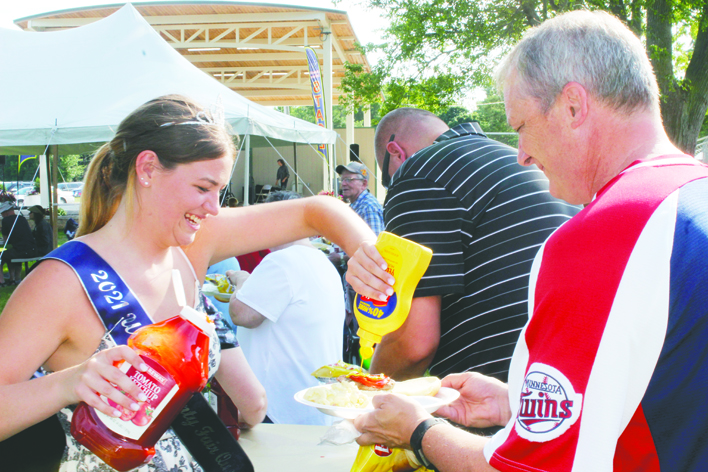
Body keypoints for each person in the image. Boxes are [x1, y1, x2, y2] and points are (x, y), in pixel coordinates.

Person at [351, 10, 708, 472]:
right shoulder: (693, 192)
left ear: (573, 107)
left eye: (520, 127)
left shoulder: (608, 234)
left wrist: (417, 431)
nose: (521, 156)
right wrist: (515, 403)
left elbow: (524, 469)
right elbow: (661, 389)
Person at [0, 95, 381, 471]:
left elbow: (316, 211)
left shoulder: (193, 244)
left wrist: (364, 249)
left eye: (219, 191)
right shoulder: (61, 282)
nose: (214, 208)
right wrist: (69, 383)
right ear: (147, 168)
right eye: (202, 188)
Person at [367, 107, 578, 383]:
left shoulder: (418, 172)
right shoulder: (513, 160)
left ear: (395, 152)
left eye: (386, 177)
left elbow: (413, 342)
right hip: (564, 384)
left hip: (494, 398)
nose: (390, 185)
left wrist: (368, 390)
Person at [229, 190, 345, 426]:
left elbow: (241, 314)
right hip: (313, 400)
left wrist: (242, 280)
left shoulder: (282, 261)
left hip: (281, 405)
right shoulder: (321, 261)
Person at [0, 193, 38, 286]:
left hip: (20, 250)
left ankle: (2, 281)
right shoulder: (22, 218)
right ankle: (15, 279)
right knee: (10, 254)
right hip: (31, 249)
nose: (2, 215)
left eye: (2, 213)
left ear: (6, 212)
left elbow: (6, 240)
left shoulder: (5, 221)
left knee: (1, 257)